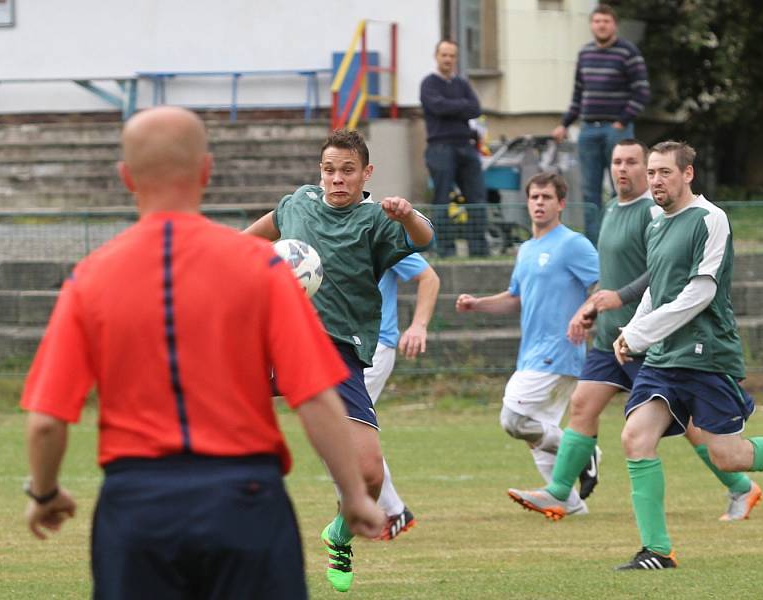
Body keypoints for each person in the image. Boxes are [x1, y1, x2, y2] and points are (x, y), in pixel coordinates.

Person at [20, 107, 384, 599]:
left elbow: (45, 421)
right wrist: (355, 495)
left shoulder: (91, 278)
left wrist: (44, 493)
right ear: (206, 171)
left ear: (126, 177)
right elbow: (316, 397)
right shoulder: (264, 270)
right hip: (246, 501)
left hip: (137, 505)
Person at [510, 139, 762, 522]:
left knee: (697, 431)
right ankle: (562, 493)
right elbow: (613, 275)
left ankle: (740, 487)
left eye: (633, 162)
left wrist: (626, 305)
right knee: (584, 405)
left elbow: (658, 277)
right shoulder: (612, 210)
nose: (622, 169)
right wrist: (594, 308)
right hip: (617, 336)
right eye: (617, 162)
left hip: (656, 339)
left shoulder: (658, 212)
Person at [244, 129, 434, 592]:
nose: (336, 179)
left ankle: (339, 535)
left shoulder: (376, 220)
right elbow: (248, 240)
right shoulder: (298, 203)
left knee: (368, 476)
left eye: (347, 170)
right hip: (278, 339)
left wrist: (408, 215)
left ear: (366, 173)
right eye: (329, 170)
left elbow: (425, 239)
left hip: (336, 351)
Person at [613, 141, 763, 570]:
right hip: (663, 357)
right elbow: (656, 290)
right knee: (635, 438)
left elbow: (701, 292)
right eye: (652, 172)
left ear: (688, 174)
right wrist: (632, 331)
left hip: (705, 353)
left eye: (665, 173)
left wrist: (641, 334)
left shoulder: (711, 219)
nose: (655, 180)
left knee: (727, 456)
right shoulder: (656, 223)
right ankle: (657, 551)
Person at [455, 172, 599, 514]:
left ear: (561, 203)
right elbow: (515, 298)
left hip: (559, 349)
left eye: (546, 197)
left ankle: (584, 452)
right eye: (534, 197)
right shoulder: (527, 249)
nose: (539, 203)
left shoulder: (573, 244)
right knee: (536, 431)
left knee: (515, 419)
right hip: (531, 352)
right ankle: (568, 502)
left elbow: (602, 286)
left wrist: (584, 316)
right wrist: (478, 304)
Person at [551, 3, 650, 245]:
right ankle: (595, 244)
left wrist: (621, 121)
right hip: (588, 130)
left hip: (615, 130)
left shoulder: (628, 52)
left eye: (606, 21)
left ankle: (622, 239)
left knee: (622, 187)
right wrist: (564, 124)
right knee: (589, 191)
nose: (601, 26)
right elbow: (578, 95)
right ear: (591, 25)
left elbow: (642, 92)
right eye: (597, 21)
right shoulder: (585, 54)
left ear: (614, 25)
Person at [364, 253, 440, 540]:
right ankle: (379, 509)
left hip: (374, 347)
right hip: (340, 346)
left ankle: (388, 510)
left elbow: (429, 277)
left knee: (341, 429)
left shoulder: (379, 229)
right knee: (337, 431)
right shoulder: (321, 224)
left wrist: (418, 325)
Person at [420, 39, 488, 257]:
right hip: (439, 147)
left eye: (452, 55)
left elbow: (476, 108)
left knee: (477, 198)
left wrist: (452, 107)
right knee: (442, 199)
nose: (448, 59)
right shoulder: (428, 84)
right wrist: (461, 106)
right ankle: (444, 250)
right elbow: (437, 107)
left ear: (456, 59)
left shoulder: (462, 84)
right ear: (436, 56)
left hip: (465, 146)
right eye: (444, 55)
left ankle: (479, 250)